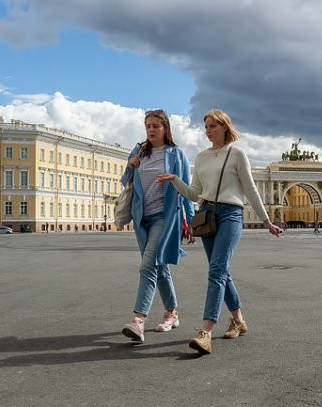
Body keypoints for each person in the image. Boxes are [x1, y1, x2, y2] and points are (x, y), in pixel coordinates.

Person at [158, 109, 283, 355]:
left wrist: (266, 221)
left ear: (225, 126)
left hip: (231, 215)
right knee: (221, 272)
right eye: (205, 126)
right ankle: (238, 320)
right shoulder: (202, 157)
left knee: (216, 270)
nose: (208, 131)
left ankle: (206, 331)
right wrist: (175, 180)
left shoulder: (237, 154)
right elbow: (195, 193)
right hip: (206, 216)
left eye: (213, 126)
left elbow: (251, 190)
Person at [120, 109, 194, 344]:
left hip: (165, 217)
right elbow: (125, 181)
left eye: (155, 126)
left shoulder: (176, 154)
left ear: (165, 128)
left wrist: (190, 220)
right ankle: (172, 313)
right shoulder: (139, 150)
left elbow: (185, 189)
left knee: (147, 267)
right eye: (148, 126)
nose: (151, 130)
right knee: (159, 268)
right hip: (142, 218)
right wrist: (131, 165)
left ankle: (138, 320)